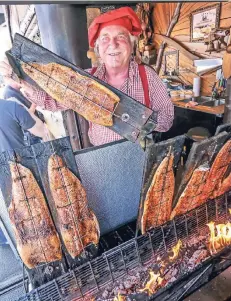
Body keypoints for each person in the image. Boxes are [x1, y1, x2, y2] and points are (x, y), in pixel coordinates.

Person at [0, 7, 174, 147]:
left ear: (131, 44)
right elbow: (50, 102)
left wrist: (138, 121)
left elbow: (167, 118)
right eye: (105, 39)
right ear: (98, 49)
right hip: (102, 156)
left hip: (140, 154)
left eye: (120, 37)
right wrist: (21, 81)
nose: (112, 44)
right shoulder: (85, 80)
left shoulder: (148, 76)